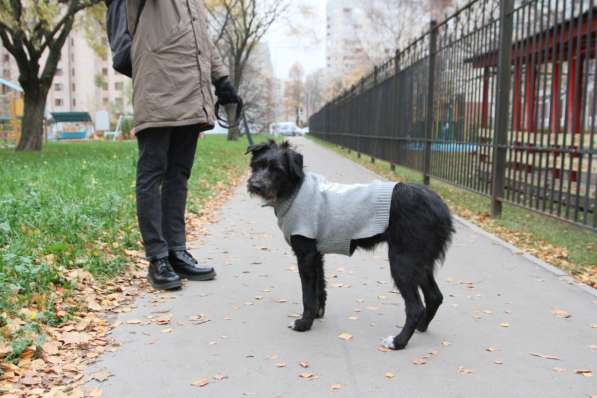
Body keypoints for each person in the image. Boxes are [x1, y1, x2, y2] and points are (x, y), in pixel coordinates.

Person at [127, 0, 242, 290]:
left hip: (192, 93)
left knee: (179, 174)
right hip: (157, 87)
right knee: (152, 173)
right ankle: (157, 258)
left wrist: (222, 80)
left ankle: (177, 251)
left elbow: (203, 40)